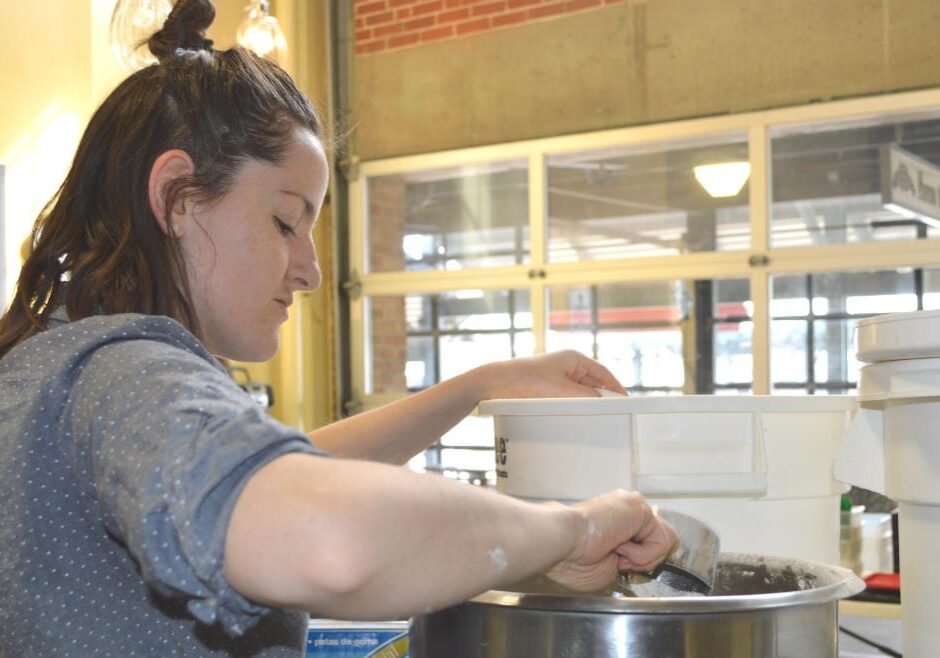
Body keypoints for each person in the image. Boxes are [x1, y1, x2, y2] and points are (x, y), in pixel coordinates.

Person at [0, 1, 677, 655]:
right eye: (285, 222)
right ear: (178, 198)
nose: (310, 271)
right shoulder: (124, 371)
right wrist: (571, 529)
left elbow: (287, 476)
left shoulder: (55, 367)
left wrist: (476, 387)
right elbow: (327, 535)